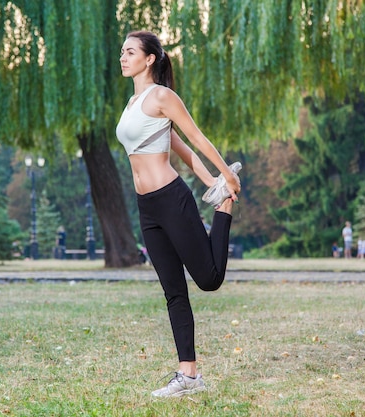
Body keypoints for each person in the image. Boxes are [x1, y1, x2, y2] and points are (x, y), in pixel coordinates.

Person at [117, 30, 241, 398]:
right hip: (147, 206)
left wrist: (226, 177)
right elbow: (178, 147)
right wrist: (208, 179)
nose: (123, 58)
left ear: (150, 58)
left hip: (171, 198)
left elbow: (197, 138)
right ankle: (189, 376)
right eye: (122, 52)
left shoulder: (163, 96)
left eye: (130, 52)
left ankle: (225, 209)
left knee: (209, 279)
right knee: (173, 290)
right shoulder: (133, 102)